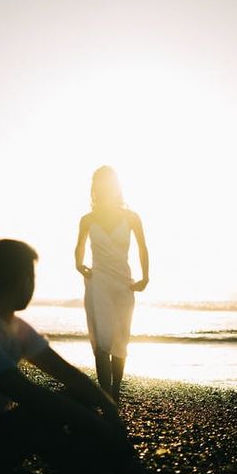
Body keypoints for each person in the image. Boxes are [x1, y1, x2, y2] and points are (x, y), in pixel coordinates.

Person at [0, 238, 154, 474]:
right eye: (30, 276)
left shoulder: (12, 325)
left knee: (73, 398)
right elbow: (24, 392)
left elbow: (68, 375)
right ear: (20, 279)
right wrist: (93, 421)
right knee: (42, 413)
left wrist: (109, 409)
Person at [75, 166, 149, 403]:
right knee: (103, 339)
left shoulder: (131, 217)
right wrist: (79, 264)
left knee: (121, 339)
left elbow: (142, 247)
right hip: (98, 283)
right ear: (95, 188)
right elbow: (79, 246)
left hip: (124, 284)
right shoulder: (87, 219)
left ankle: (115, 390)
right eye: (100, 184)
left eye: (108, 183)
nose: (104, 188)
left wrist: (145, 277)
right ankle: (106, 395)